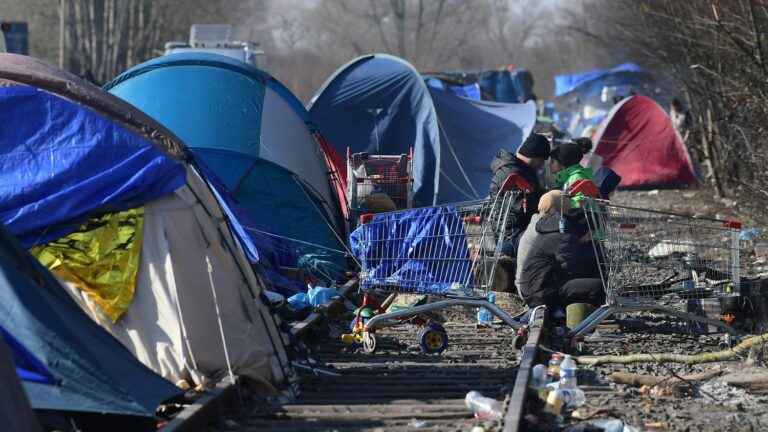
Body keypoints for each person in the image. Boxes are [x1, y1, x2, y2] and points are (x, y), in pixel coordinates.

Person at [516, 190, 605, 311]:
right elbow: (571, 266)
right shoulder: (562, 235)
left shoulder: (548, 225)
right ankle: (577, 319)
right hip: (539, 293)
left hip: (533, 286)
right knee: (598, 286)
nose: (590, 238)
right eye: (590, 234)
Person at [488, 133, 550, 257]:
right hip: (510, 237)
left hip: (510, 233)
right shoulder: (514, 174)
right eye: (542, 160)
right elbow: (520, 210)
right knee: (549, 246)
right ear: (535, 156)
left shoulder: (519, 168)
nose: (542, 165)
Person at [550, 138, 594, 207]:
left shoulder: (577, 178)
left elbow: (581, 203)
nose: (549, 164)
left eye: (552, 161)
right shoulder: (566, 178)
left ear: (563, 164)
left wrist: (560, 202)